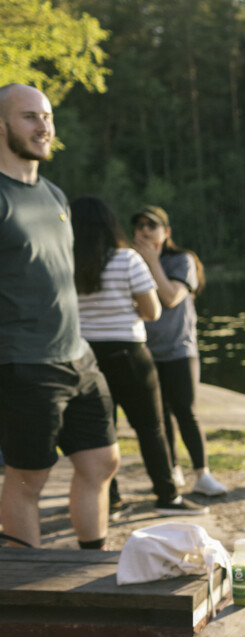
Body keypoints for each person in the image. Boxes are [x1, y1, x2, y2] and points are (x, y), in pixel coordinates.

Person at [0, 84, 119, 549]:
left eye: (47, 116)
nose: (44, 126)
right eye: (30, 117)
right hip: (24, 362)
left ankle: (91, 569)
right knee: (27, 479)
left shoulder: (54, 195)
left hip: (78, 354)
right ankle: (24, 601)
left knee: (101, 462)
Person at [72, 196, 207, 516]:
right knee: (151, 427)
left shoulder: (66, 262)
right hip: (128, 353)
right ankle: (167, 497)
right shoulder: (127, 260)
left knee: (102, 430)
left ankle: (112, 499)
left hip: (85, 356)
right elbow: (152, 310)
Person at [132, 205, 227, 497]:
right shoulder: (131, 262)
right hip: (145, 350)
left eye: (152, 225)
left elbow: (171, 298)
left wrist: (152, 262)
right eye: (139, 225)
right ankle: (171, 470)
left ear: (166, 231)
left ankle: (202, 474)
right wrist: (143, 262)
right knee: (158, 416)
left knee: (186, 411)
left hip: (180, 349)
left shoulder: (182, 260)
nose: (145, 230)